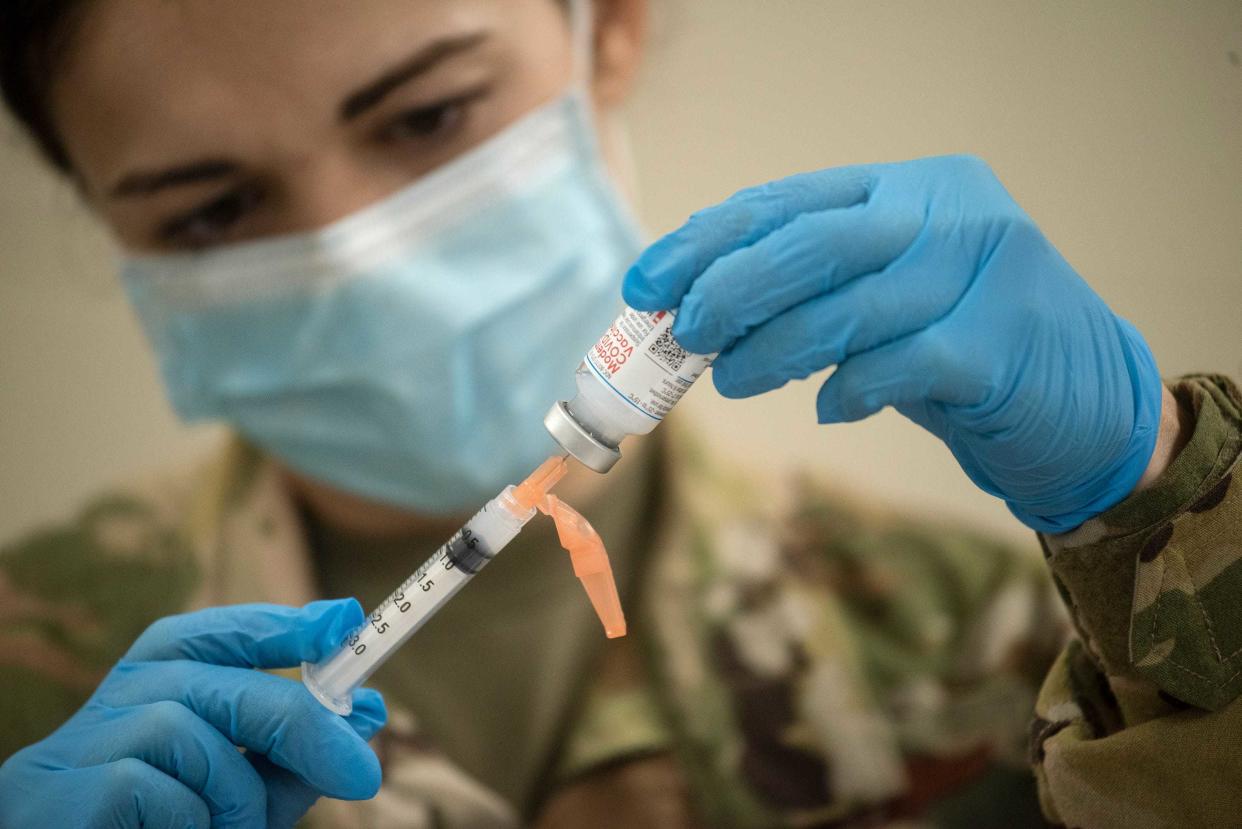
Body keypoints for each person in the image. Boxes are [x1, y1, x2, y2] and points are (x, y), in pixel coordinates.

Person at [0, 1, 1237, 827]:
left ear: (611, 28)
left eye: (429, 117)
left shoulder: (1011, 653)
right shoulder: (32, 702)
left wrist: (1160, 506)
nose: (351, 256)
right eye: (212, 209)